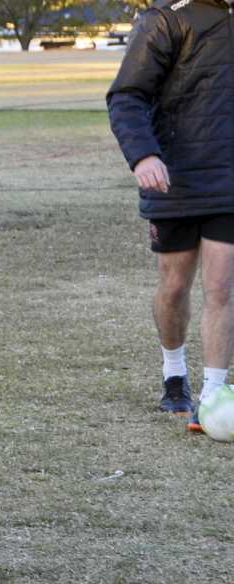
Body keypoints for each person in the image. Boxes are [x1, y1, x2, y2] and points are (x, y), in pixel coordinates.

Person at [107, 0, 234, 432]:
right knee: (175, 286)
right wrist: (142, 155)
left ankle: (214, 393)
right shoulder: (166, 17)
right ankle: (174, 372)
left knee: (220, 287)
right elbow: (126, 95)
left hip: (229, 179)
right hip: (174, 178)